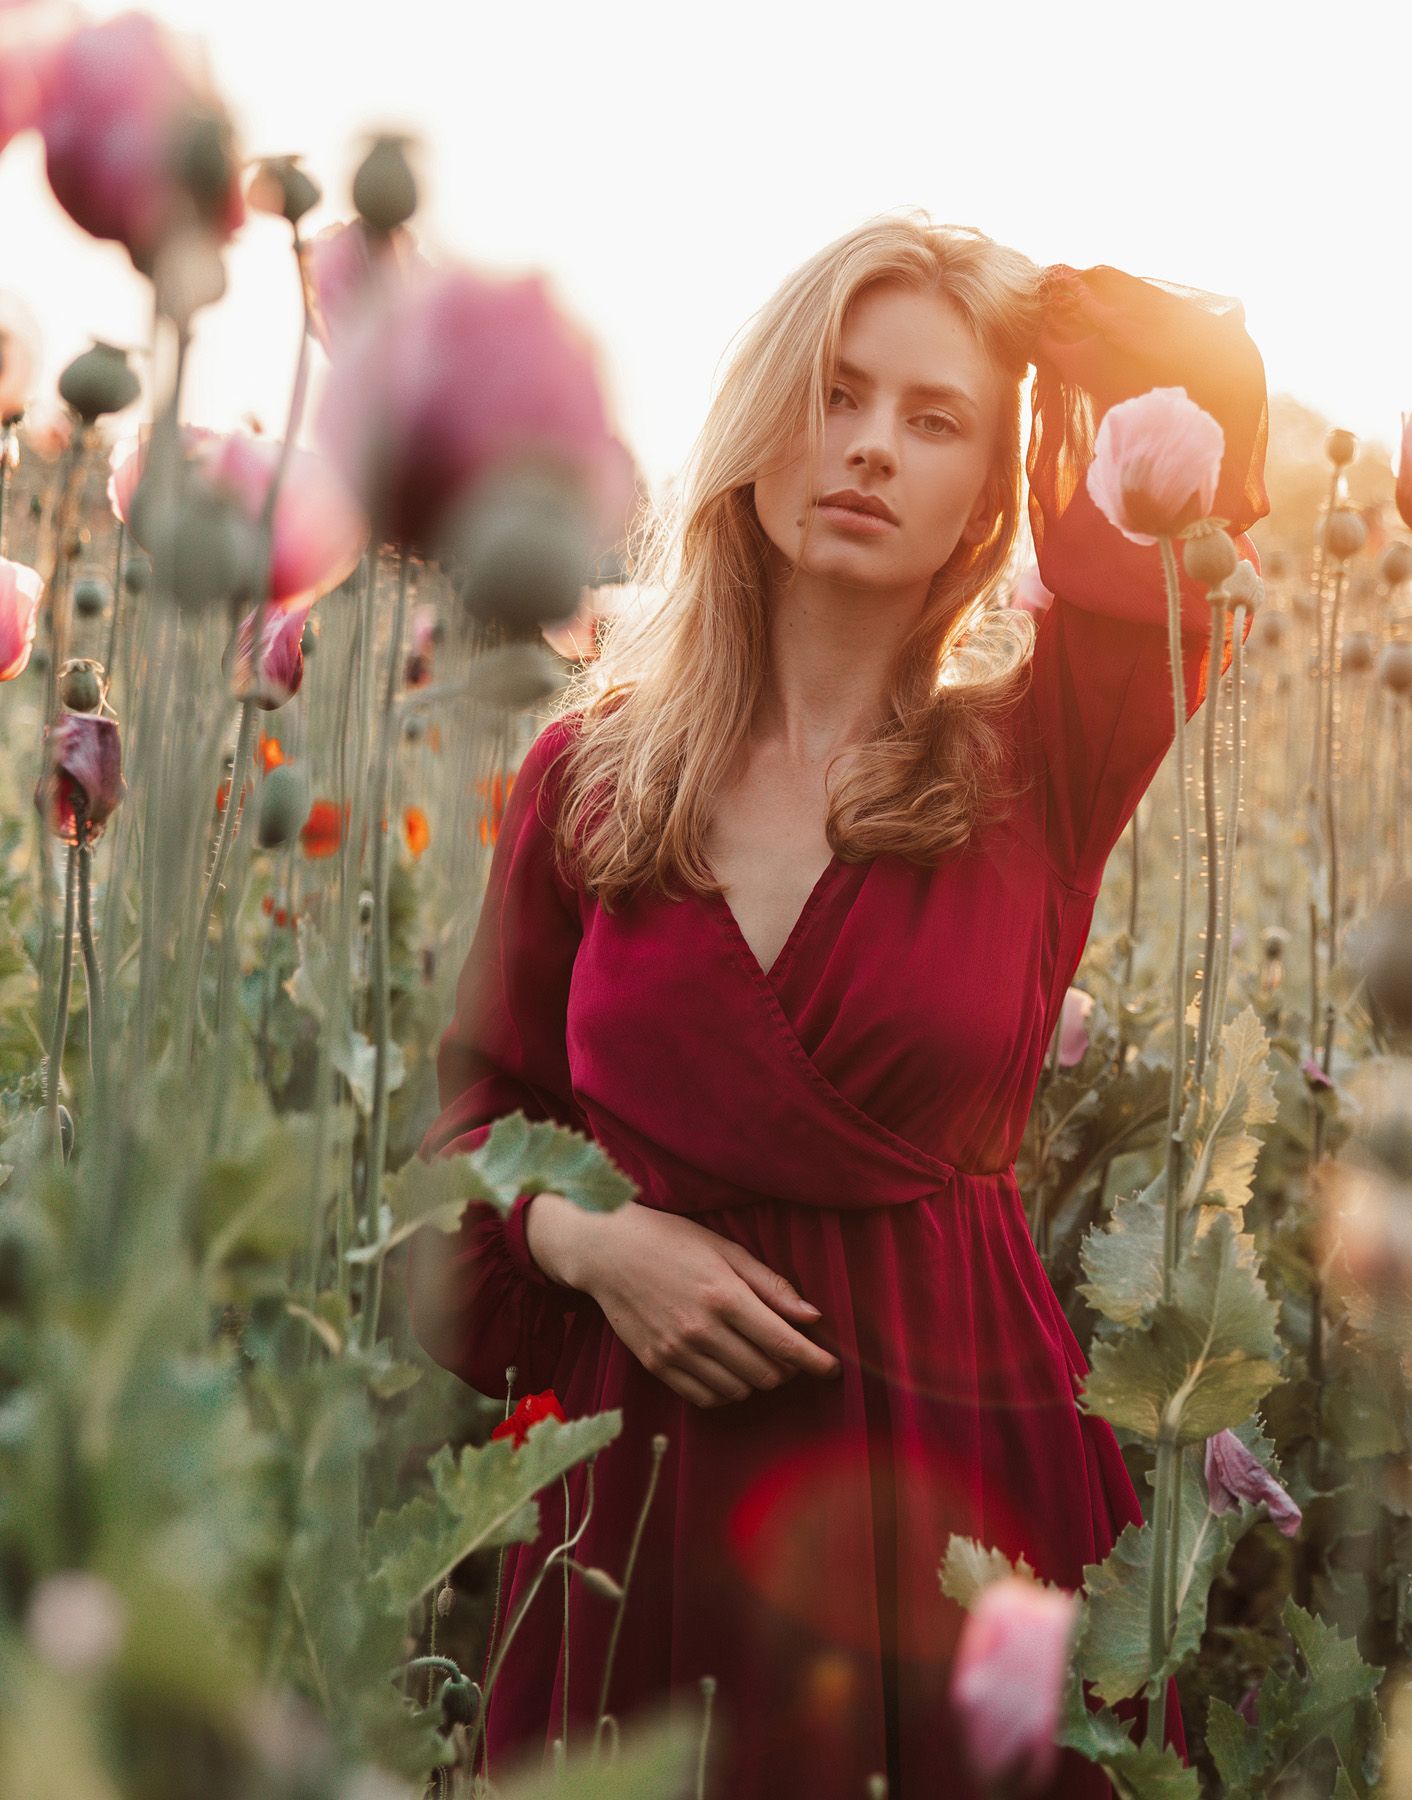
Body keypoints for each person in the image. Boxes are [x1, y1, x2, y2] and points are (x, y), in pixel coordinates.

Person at [405, 209, 1269, 1797]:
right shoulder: (588, 780)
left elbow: (1205, 381)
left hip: (962, 1466)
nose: (870, 448)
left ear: (988, 496)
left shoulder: (1051, 749)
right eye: (835, 394)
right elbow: (469, 1130)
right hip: (647, 1485)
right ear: (755, 430)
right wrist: (592, 1242)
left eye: (934, 418)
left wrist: (1031, 302)